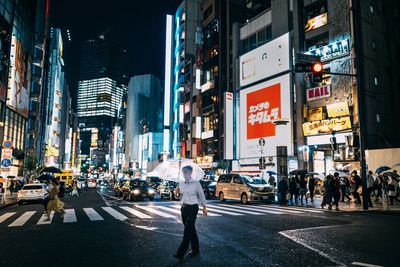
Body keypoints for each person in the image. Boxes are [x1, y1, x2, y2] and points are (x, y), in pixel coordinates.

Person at [173, 166, 207, 260]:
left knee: (187, 231)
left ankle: (180, 253)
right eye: (183, 172)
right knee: (191, 229)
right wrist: (176, 193)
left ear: (191, 173)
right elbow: (177, 197)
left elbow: (201, 195)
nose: (185, 174)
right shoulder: (181, 183)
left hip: (193, 208)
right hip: (184, 208)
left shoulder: (196, 183)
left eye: (186, 172)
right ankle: (196, 249)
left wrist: (204, 207)